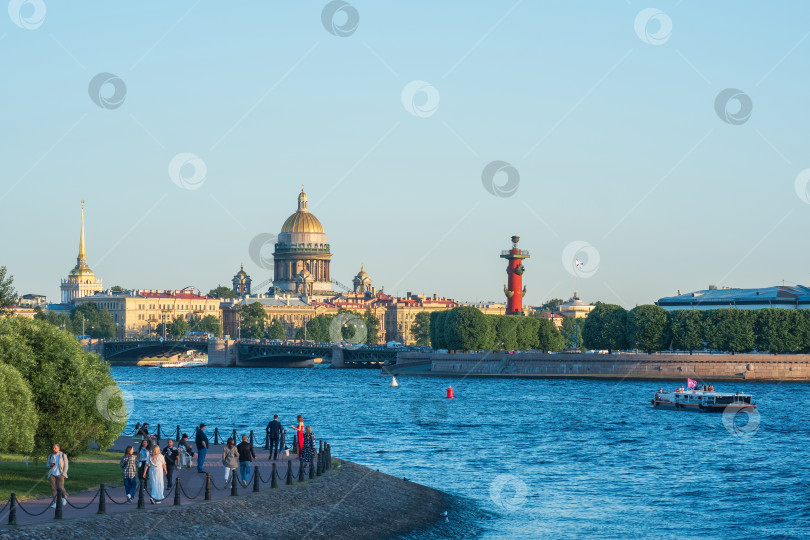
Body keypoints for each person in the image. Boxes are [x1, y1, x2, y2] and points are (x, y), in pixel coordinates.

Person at [47, 444, 69, 508]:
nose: (54, 449)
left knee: (61, 488)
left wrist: (64, 474)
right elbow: (47, 464)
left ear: (58, 449)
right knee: (53, 489)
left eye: (55, 448)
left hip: (60, 474)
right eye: (53, 448)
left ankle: (64, 497)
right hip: (52, 474)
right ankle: (55, 502)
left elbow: (66, 465)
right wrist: (50, 465)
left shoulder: (63, 455)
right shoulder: (51, 455)